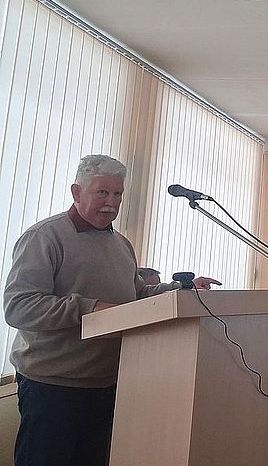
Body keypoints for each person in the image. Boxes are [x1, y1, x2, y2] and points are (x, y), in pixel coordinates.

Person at [3, 154, 221, 466]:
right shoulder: (44, 237)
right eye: (102, 192)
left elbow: (136, 296)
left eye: (117, 193)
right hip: (53, 387)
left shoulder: (121, 244)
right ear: (77, 192)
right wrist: (90, 308)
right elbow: (19, 306)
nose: (112, 202)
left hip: (108, 383)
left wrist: (181, 289)